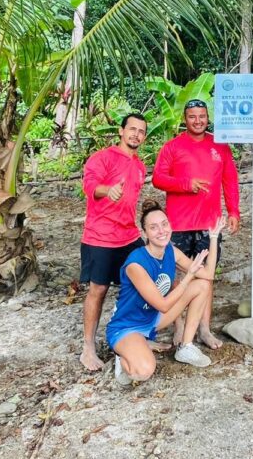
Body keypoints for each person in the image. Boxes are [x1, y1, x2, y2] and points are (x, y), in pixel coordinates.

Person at [152, 98, 240, 349]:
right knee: (177, 276)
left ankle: (204, 328)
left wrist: (234, 211)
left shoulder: (219, 145)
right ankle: (178, 325)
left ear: (207, 117)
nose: (198, 121)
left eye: (202, 116)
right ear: (184, 118)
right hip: (178, 224)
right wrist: (185, 184)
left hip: (209, 225)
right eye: (192, 116)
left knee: (207, 276)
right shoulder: (172, 146)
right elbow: (158, 178)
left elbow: (230, 181)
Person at [107, 201, 226, 384]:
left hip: (153, 320)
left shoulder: (172, 251)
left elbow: (208, 275)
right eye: (153, 227)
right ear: (145, 233)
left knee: (202, 285)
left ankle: (185, 347)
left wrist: (213, 237)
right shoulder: (136, 263)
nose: (161, 231)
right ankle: (123, 354)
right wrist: (188, 277)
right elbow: (162, 305)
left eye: (164, 224)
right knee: (143, 372)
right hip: (127, 326)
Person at [79, 113, 148, 371]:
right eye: (132, 129)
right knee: (99, 289)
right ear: (121, 131)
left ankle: (136, 335)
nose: (136, 135)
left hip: (129, 235)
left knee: (144, 283)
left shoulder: (140, 166)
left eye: (141, 131)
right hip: (100, 236)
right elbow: (90, 186)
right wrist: (108, 190)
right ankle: (88, 348)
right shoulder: (102, 158)